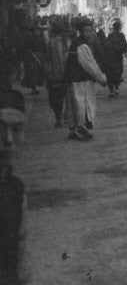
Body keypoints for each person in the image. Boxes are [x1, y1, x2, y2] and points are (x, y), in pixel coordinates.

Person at [65, 19, 108, 140]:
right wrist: (102, 79)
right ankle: (80, 127)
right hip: (81, 80)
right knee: (82, 104)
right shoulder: (82, 46)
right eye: (86, 31)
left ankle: (73, 129)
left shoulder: (76, 43)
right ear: (81, 32)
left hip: (72, 79)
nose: (89, 33)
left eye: (91, 31)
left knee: (73, 105)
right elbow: (90, 65)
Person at [0, 89, 26, 284]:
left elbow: (21, 259)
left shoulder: (15, 189)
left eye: (16, 129)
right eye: (0, 129)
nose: (8, 140)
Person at [45, 21, 70, 127]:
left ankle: (58, 118)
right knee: (69, 97)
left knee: (56, 100)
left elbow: (47, 59)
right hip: (68, 75)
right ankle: (67, 114)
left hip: (55, 77)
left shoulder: (51, 42)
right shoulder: (69, 41)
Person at [103, 19, 127, 98]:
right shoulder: (121, 35)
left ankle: (111, 91)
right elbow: (125, 46)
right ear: (119, 28)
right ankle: (116, 88)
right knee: (118, 73)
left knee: (110, 74)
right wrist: (125, 51)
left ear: (113, 28)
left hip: (110, 58)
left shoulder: (110, 36)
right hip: (118, 58)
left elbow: (105, 46)